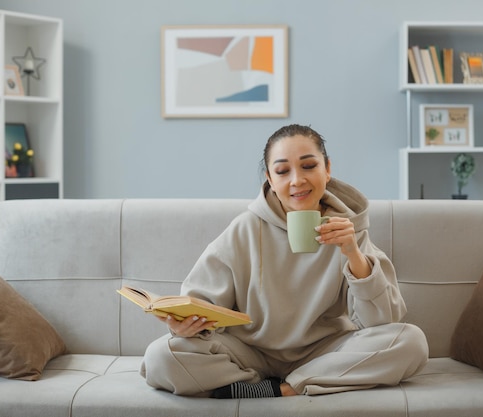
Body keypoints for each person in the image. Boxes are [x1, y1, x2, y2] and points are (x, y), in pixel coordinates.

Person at [140, 124, 428, 398]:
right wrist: (183, 325)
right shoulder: (245, 229)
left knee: (411, 342)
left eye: (309, 166)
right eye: (282, 171)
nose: (296, 180)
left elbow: (381, 322)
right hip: (249, 353)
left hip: (323, 352)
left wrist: (353, 253)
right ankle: (283, 384)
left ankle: (282, 389)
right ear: (270, 178)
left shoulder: (349, 229)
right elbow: (199, 301)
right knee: (161, 356)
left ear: (327, 169)